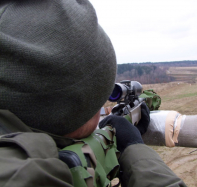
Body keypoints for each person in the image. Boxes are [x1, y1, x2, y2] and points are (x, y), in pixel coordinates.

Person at [0, 0, 186, 186]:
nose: (101, 108)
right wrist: (134, 149)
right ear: (68, 114)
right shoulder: (27, 175)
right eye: (98, 101)